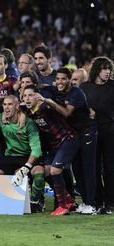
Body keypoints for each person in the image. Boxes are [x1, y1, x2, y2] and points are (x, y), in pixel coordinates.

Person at [0, 95, 45, 212]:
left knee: (39, 174)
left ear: (17, 106)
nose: (6, 107)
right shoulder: (0, 118)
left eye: (10, 104)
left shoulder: (28, 123)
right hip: (11, 156)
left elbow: (36, 149)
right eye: (4, 104)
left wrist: (26, 167)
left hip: (29, 157)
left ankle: (36, 202)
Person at [23, 85, 80, 215]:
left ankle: (63, 206)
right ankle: (69, 201)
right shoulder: (28, 111)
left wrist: (47, 100)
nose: (27, 98)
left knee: (55, 170)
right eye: (25, 95)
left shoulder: (46, 107)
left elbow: (63, 111)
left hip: (68, 139)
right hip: (55, 146)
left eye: (30, 95)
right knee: (47, 171)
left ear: (37, 96)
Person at [51, 68, 97, 214]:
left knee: (88, 168)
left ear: (70, 80)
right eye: (58, 79)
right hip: (74, 136)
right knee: (77, 169)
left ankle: (92, 204)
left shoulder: (76, 92)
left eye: (63, 79)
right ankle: (84, 202)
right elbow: (43, 87)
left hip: (87, 133)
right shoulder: (57, 90)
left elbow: (66, 112)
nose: (60, 82)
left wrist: (49, 101)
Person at [80, 56, 114, 214]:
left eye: (109, 69)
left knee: (110, 168)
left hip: (110, 132)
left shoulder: (113, 86)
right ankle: (98, 201)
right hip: (91, 132)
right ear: (96, 70)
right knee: (93, 168)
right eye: (104, 69)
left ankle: (109, 203)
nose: (107, 72)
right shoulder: (85, 87)